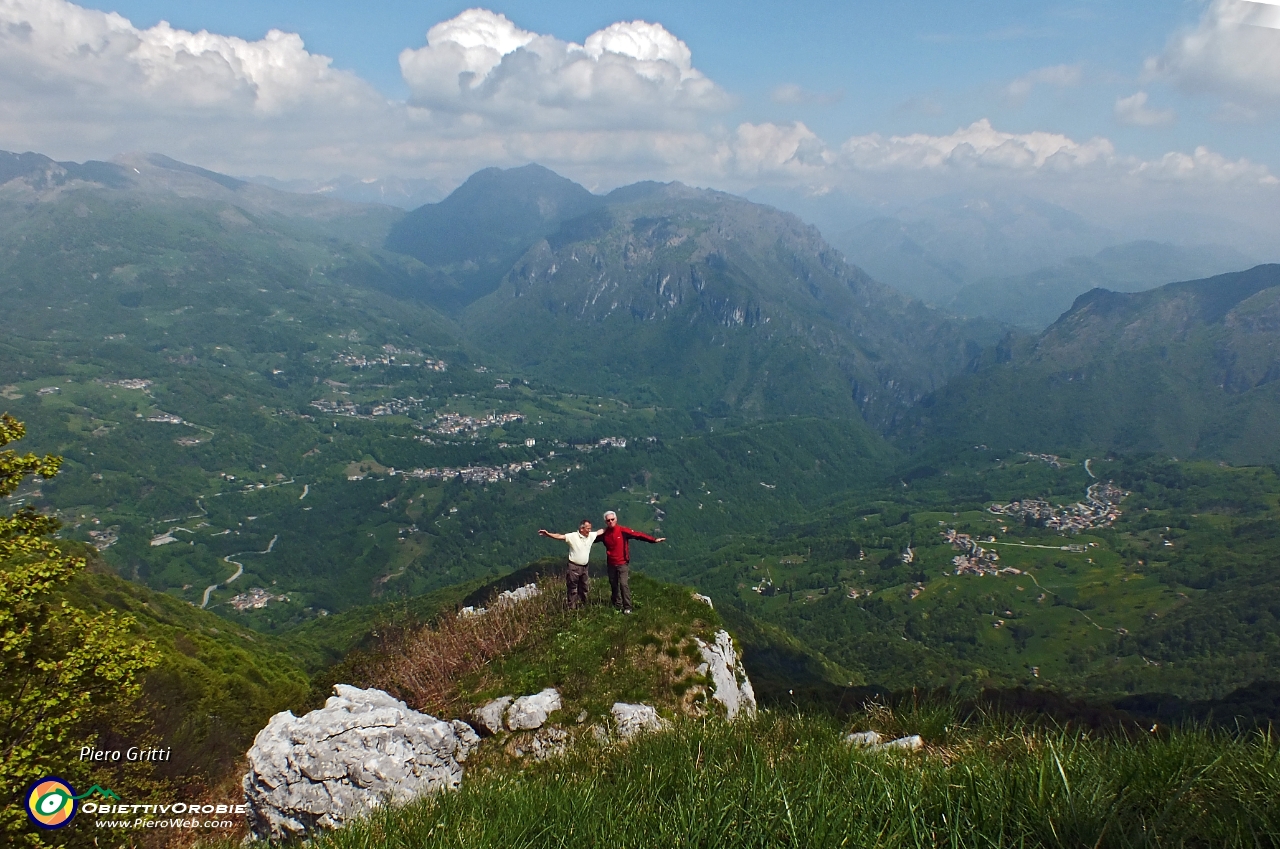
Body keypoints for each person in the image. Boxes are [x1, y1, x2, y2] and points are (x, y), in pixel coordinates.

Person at [597, 510, 665, 614]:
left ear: (616, 519)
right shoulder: (604, 534)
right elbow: (589, 539)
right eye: (608, 520)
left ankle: (627, 607)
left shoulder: (623, 531)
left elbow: (638, 535)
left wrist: (653, 540)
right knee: (613, 584)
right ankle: (616, 605)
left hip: (622, 563)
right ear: (605, 522)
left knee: (623, 584)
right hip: (611, 563)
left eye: (612, 519)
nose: (610, 522)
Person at [538, 519, 601, 609]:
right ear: (581, 528)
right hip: (574, 566)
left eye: (590, 528)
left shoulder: (590, 536)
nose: (589, 530)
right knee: (572, 588)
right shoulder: (573, 536)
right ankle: (572, 607)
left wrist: (611, 525)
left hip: (585, 567)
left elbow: (600, 532)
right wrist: (548, 534)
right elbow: (560, 536)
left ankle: (583, 605)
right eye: (588, 528)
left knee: (584, 587)